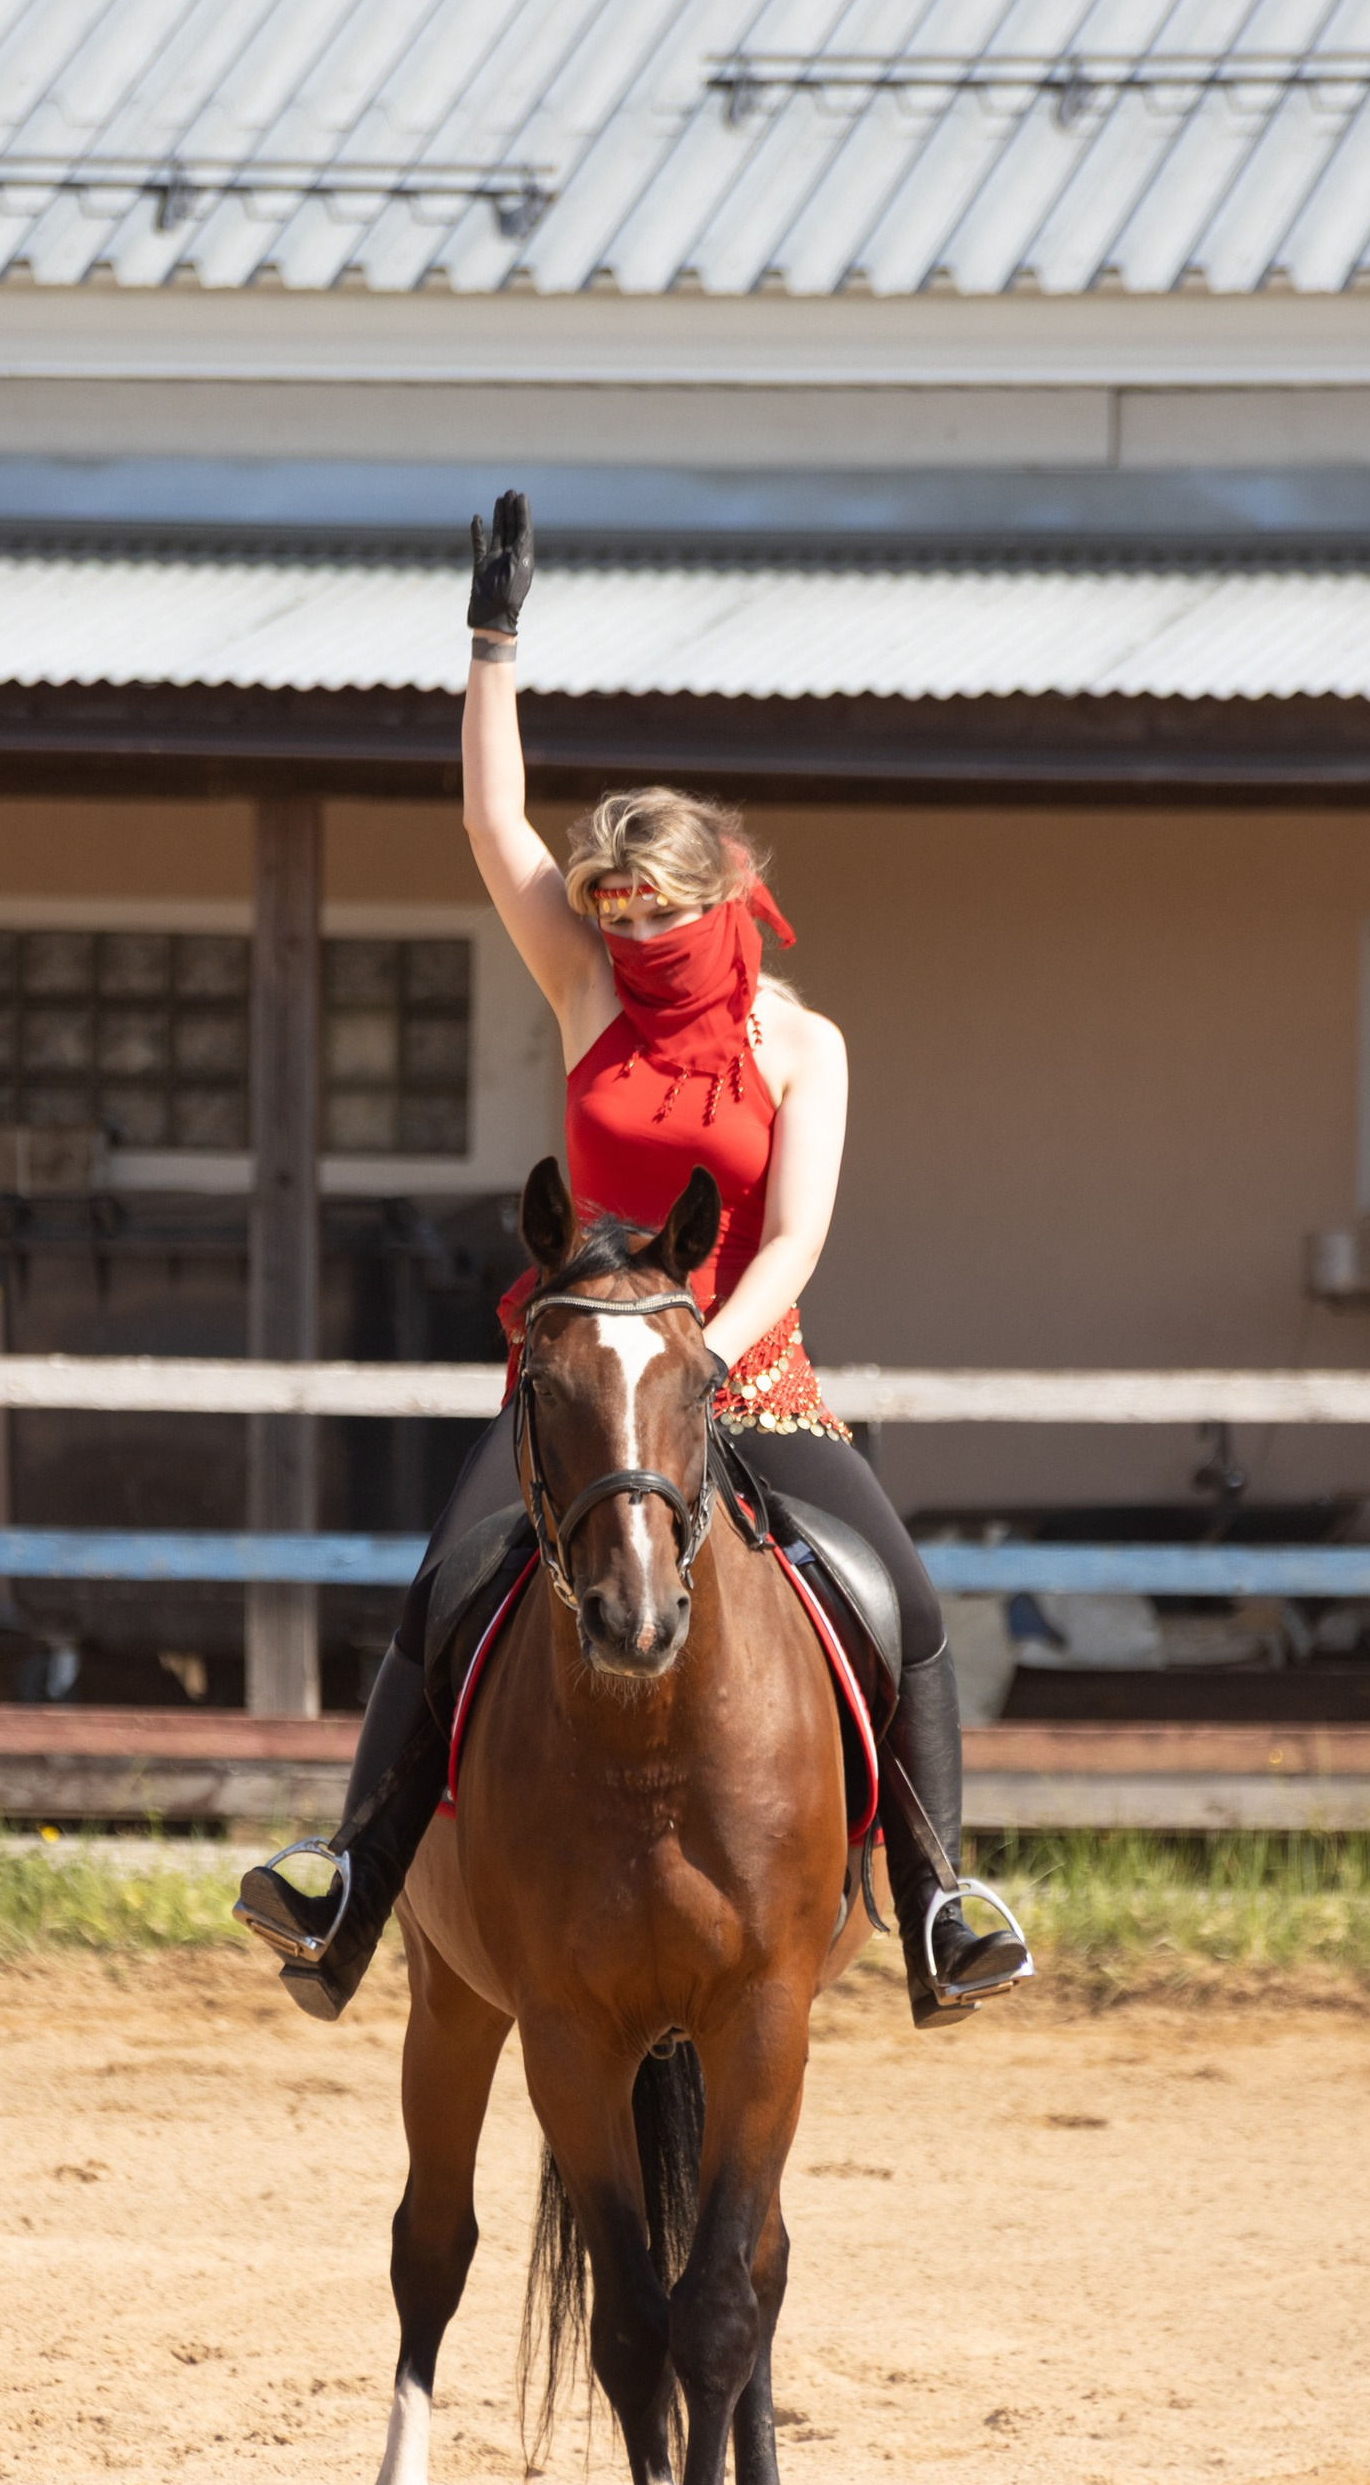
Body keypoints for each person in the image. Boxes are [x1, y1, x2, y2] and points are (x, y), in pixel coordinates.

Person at [236, 490, 1028, 2029]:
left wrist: (711, 1358)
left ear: (718, 901)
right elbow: (490, 824)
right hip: (588, 1384)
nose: (625, 933)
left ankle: (938, 1902)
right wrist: (491, 644)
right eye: (606, 909)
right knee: (443, 1591)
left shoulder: (804, 1043)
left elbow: (793, 1234)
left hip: (752, 1376)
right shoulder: (587, 994)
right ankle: (348, 1887)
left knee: (904, 1604)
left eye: (650, 911)